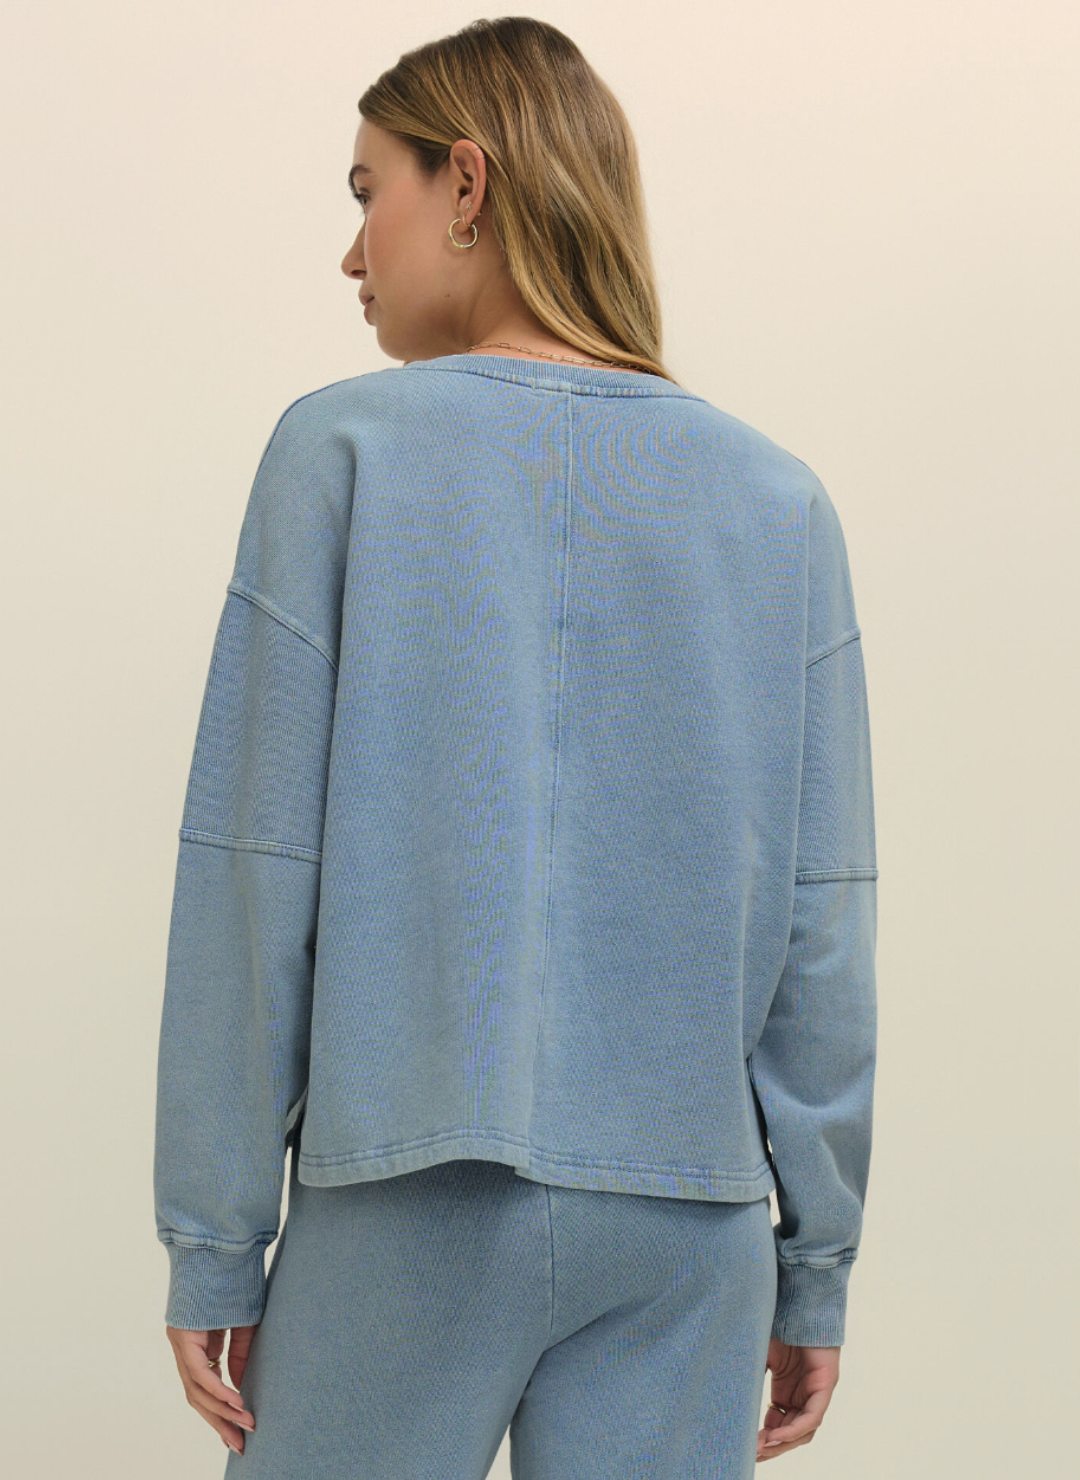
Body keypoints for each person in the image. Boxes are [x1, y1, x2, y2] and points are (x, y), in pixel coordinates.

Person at [153, 16, 878, 1479]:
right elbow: (824, 922)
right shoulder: (781, 505)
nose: (353, 253)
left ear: (468, 185)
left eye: (371, 192)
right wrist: (814, 1264)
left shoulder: (341, 452)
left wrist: (215, 1235)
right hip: (689, 1230)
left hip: (405, 1195)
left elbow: (254, 867)